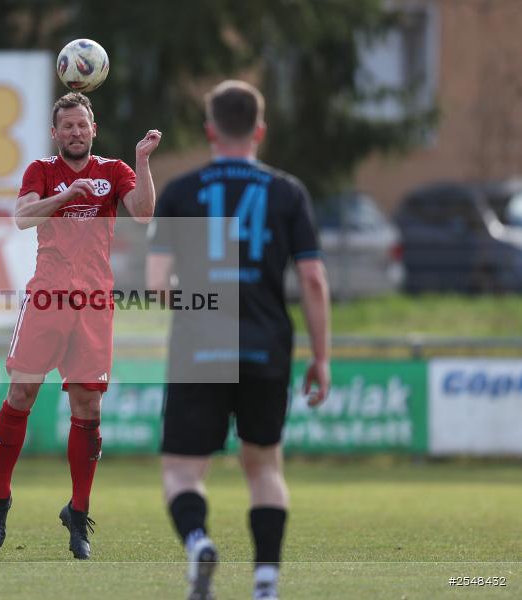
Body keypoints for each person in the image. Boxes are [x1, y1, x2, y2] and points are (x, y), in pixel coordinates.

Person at [146, 80, 331, 600]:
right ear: (260, 131)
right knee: (263, 466)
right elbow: (314, 281)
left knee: (183, 471)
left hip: (198, 351)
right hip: (266, 346)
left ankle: (200, 543)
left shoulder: (181, 191)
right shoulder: (288, 192)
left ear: (210, 131)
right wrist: (321, 357)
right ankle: (266, 582)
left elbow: (158, 287)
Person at [0, 92, 161, 559]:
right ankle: (1, 499)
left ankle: (78, 515)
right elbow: (21, 218)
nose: (76, 132)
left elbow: (143, 213)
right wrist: (65, 197)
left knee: (88, 408)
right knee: (21, 393)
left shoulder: (114, 170)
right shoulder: (41, 171)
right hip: (46, 296)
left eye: (82, 125)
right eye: (67, 126)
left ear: (93, 129)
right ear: (55, 132)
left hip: (94, 303)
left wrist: (143, 161)